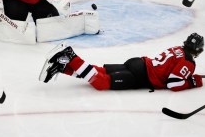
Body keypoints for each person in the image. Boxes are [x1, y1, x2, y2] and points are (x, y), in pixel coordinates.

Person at [39, 33, 204, 92]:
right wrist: (192, 82)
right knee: (101, 83)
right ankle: (70, 56)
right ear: (198, 50)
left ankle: (63, 66)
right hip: (141, 76)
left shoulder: (178, 49)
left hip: (137, 63)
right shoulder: (189, 62)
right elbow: (173, 84)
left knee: (98, 72)